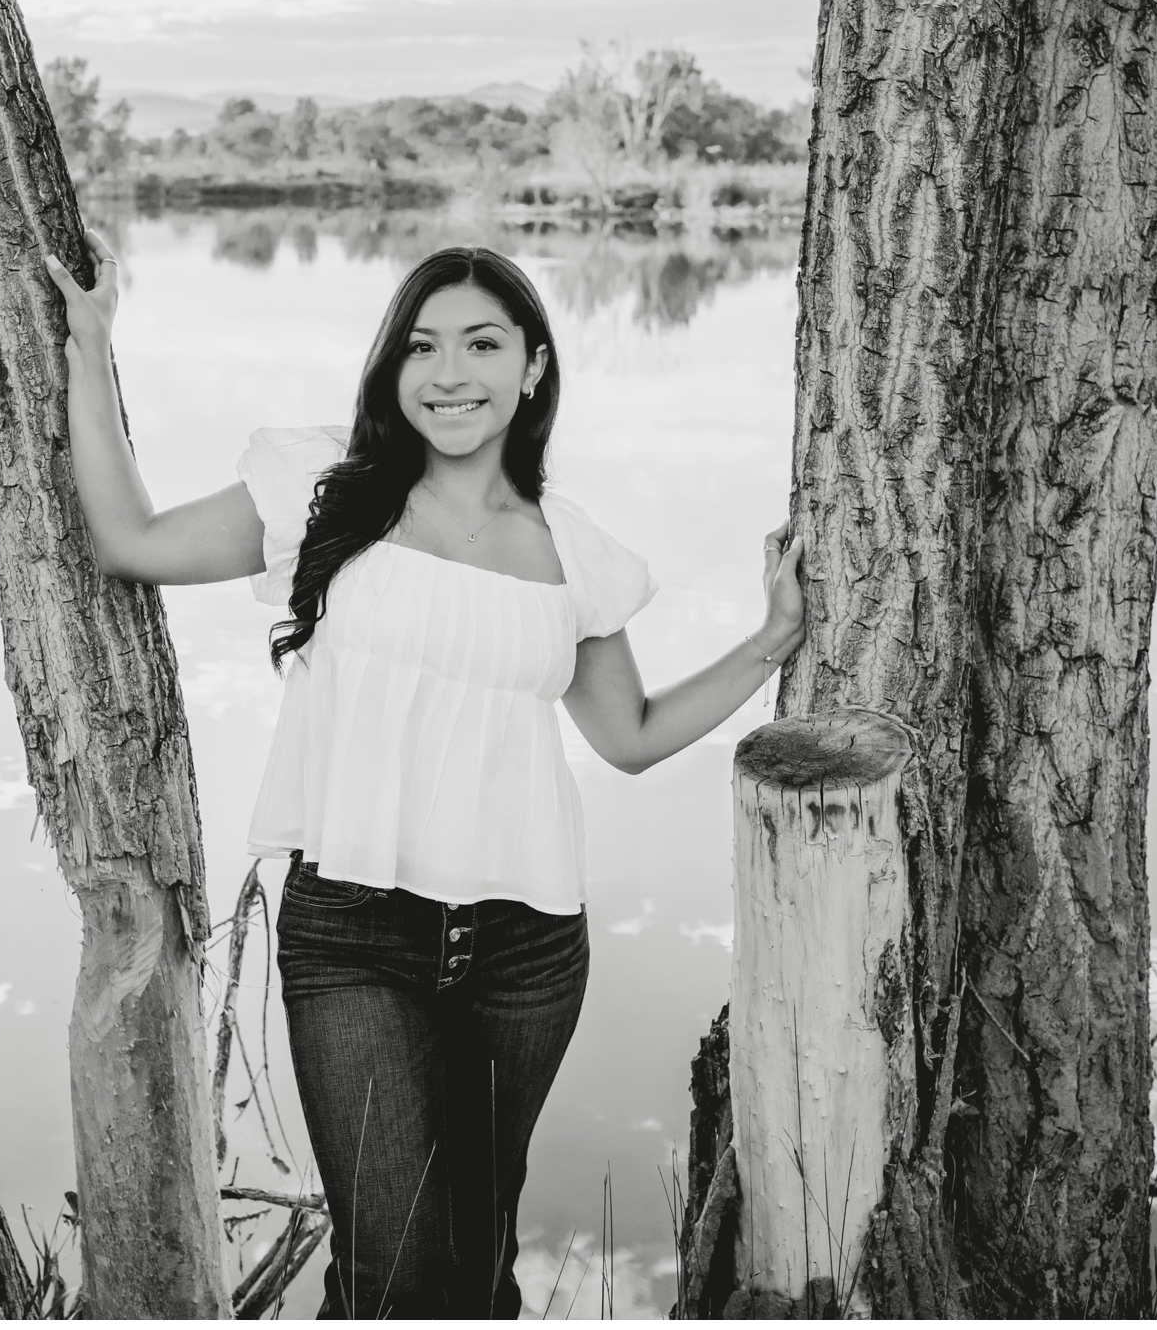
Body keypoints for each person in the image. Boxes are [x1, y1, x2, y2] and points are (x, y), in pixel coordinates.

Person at [43, 234, 805, 1319]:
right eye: (422, 347)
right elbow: (129, 538)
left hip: (526, 950)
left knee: (476, 1260)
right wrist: (89, 345)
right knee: (396, 1275)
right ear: (392, 370)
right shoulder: (324, 488)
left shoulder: (572, 549)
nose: (450, 373)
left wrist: (771, 640)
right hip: (354, 933)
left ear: (533, 366)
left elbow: (628, 734)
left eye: (483, 344)